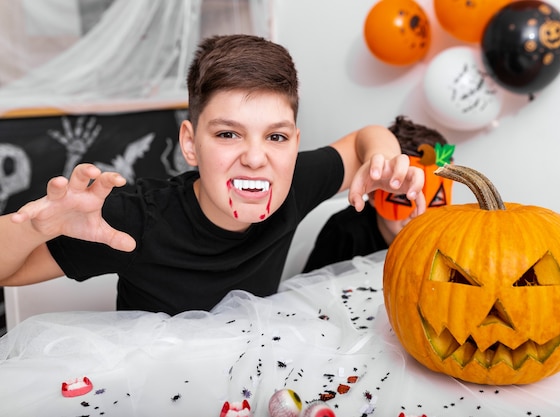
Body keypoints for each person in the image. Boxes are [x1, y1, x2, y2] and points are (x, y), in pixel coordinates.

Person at [0, 35, 426, 316]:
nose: (256, 158)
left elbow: (364, 141)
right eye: (228, 134)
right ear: (190, 143)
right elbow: (7, 272)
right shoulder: (136, 218)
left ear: (294, 142)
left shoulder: (295, 182)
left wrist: (383, 161)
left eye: (275, 136)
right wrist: (38, 227)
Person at [302, 116, 452, 273]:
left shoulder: (440, 238)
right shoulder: (344, 233)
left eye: (436, 200)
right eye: (402, 197)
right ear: (374, 194)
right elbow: (310, 289)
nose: (417, 213)